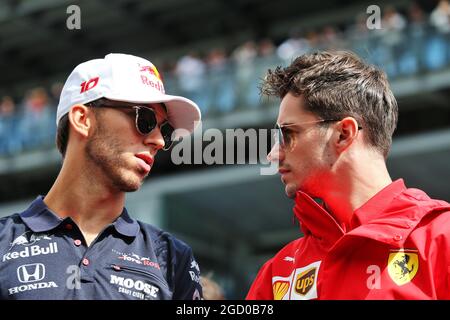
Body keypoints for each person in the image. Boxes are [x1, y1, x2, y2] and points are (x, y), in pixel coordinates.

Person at [246, 51, 450, 300]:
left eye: (288, 134)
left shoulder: (442, 239)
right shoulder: (278, 272)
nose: (273, 154)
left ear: (344, 133)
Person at [0, 53, 203, 300]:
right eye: (145, 119)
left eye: (166, 130)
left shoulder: (173, 257)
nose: (159, 141)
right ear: (83, 119)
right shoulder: (3, 242)